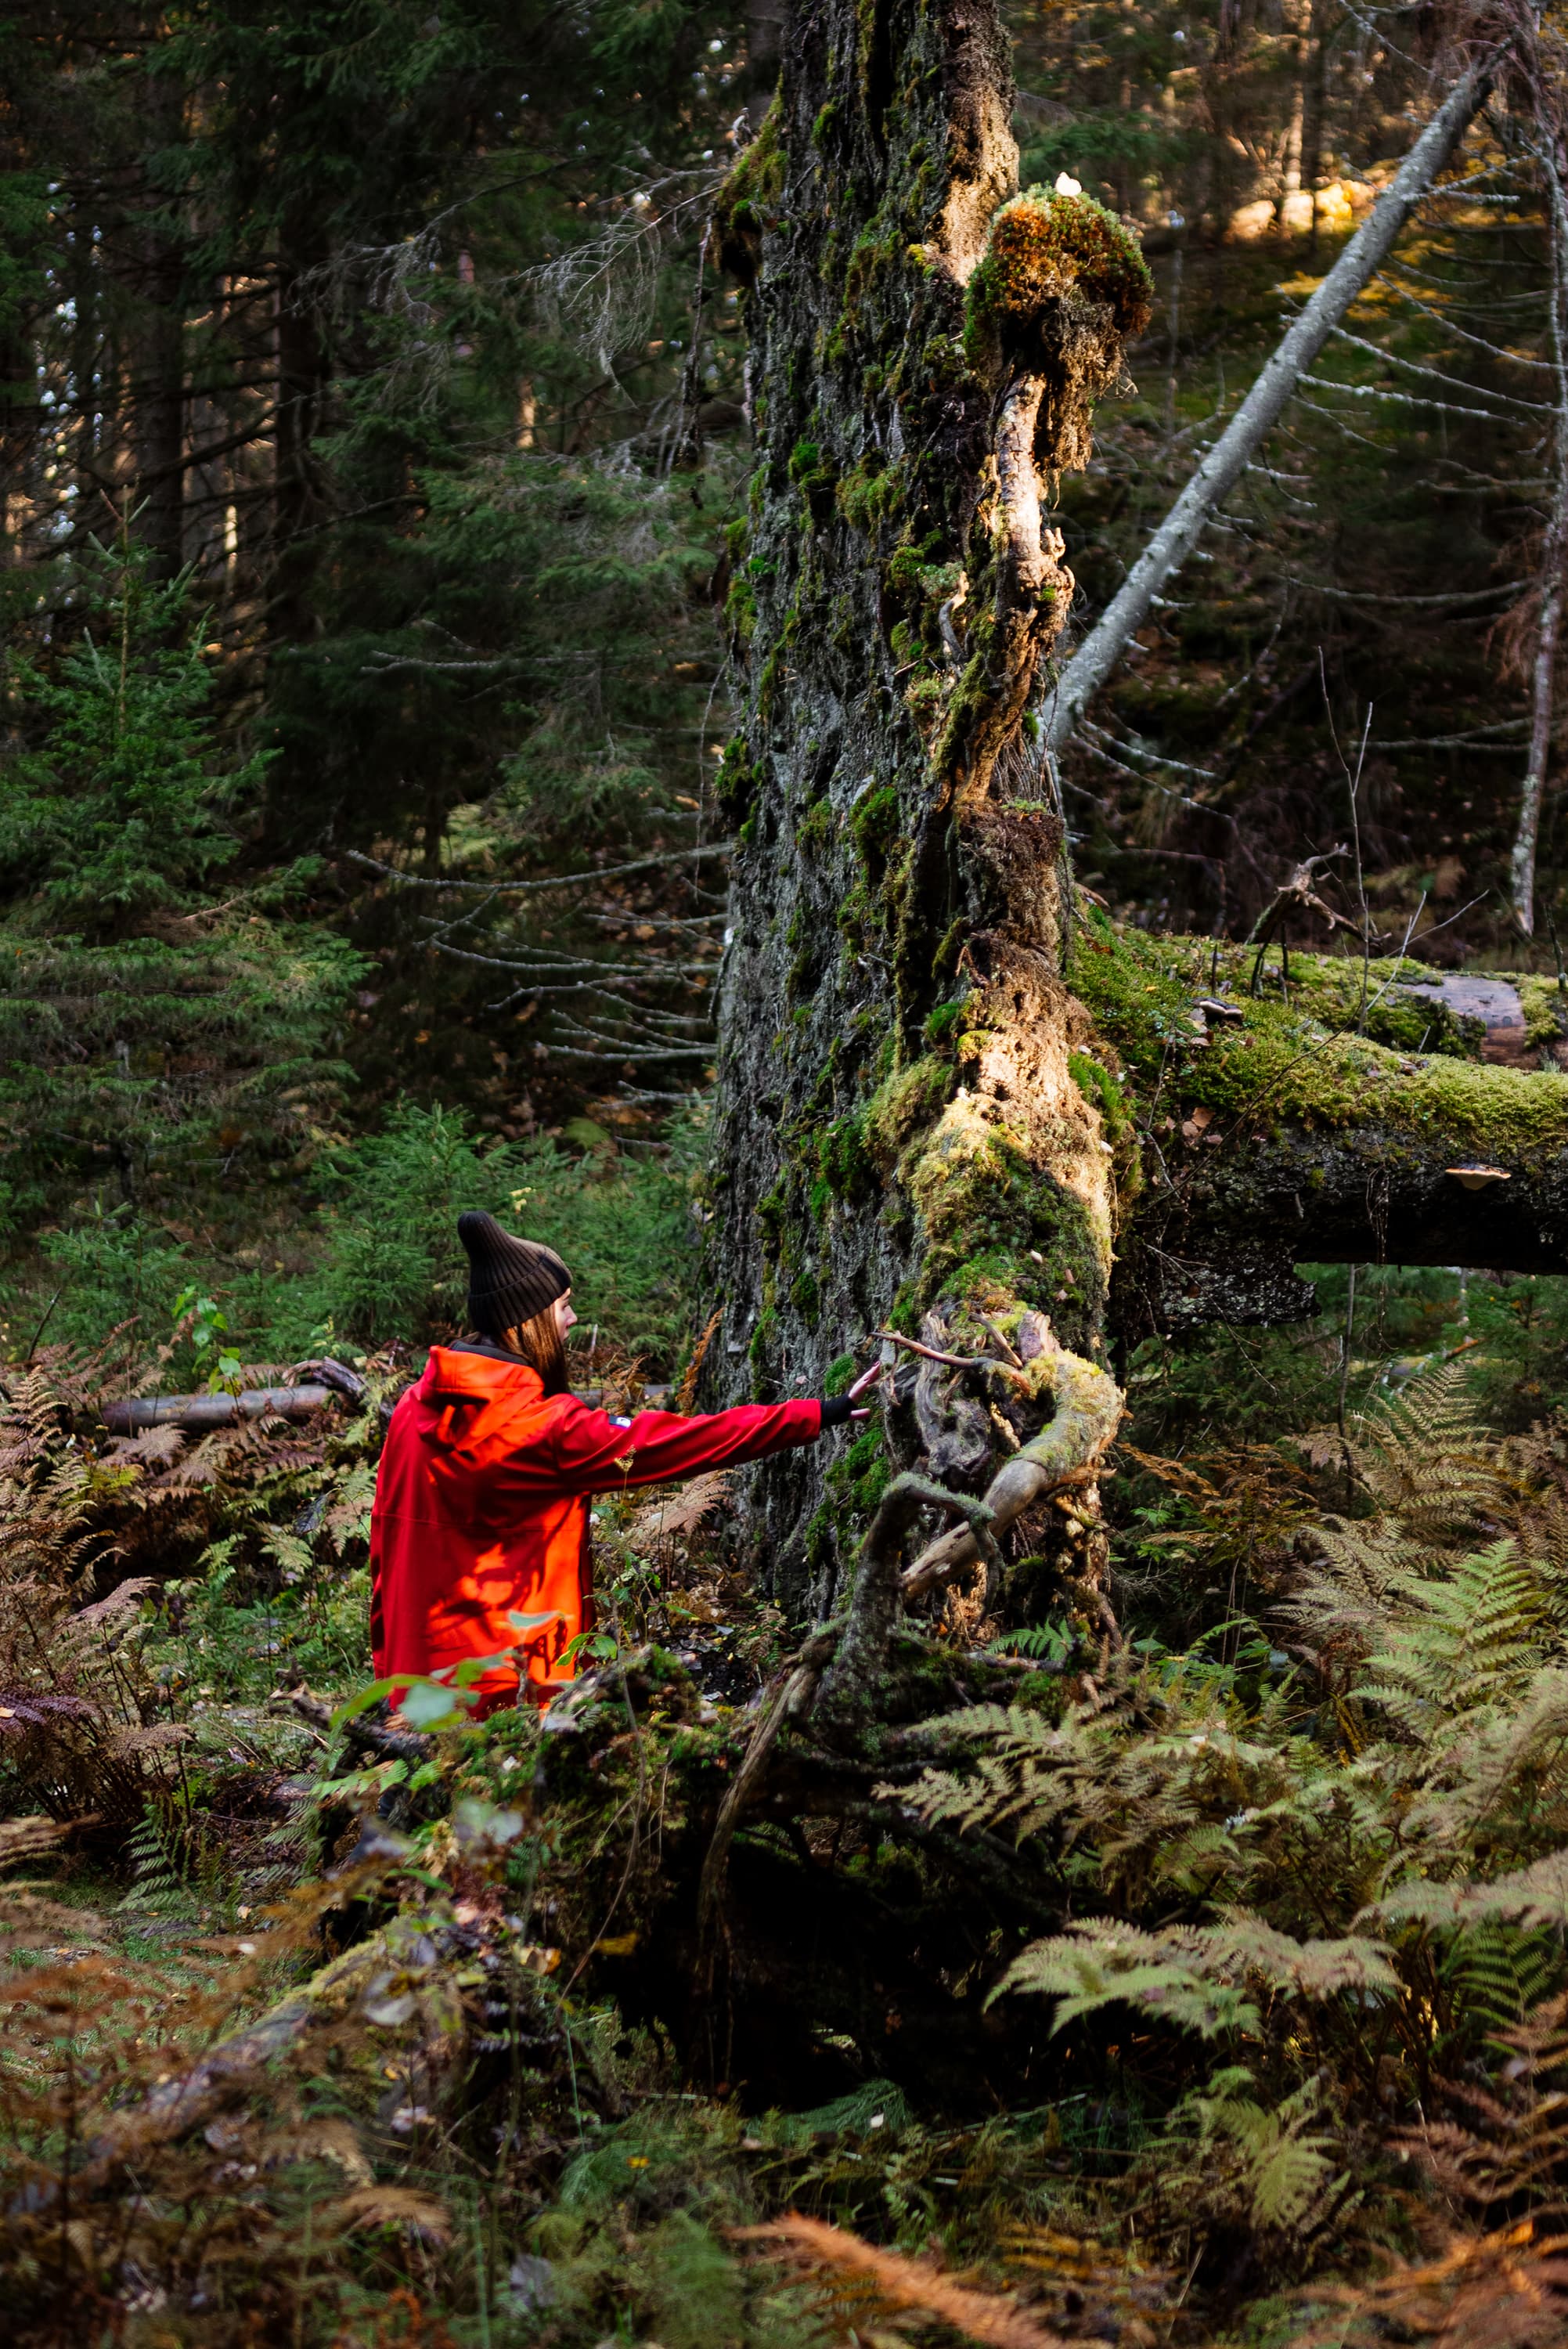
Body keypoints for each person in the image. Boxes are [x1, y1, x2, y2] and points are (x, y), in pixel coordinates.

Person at [369, 1210, 878, 1712]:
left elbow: (386, 1543)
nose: (572, 1318)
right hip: (508, 1692)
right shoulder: (545, 1431)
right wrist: (816, 1413)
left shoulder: (416, 1405)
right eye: (563, 1305)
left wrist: (387, 1670)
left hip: (419, 1686)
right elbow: (683, 1443)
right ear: (528, 1320)